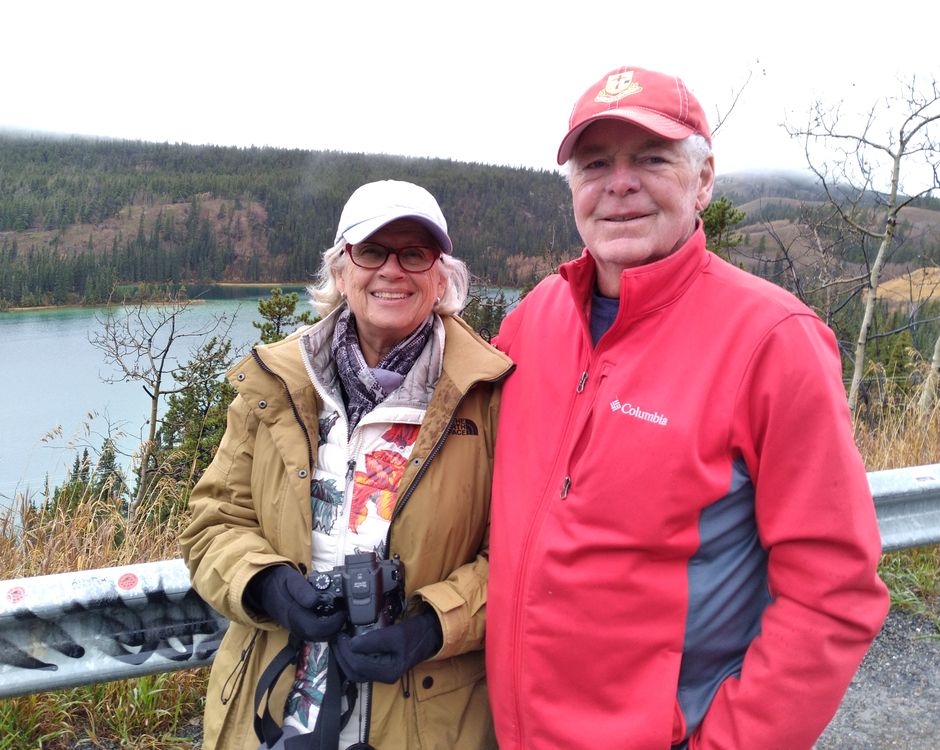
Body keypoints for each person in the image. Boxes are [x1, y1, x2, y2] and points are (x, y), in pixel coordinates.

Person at [486, 66, 890, 749]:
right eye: (595, 164)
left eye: (651, 158)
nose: (620, 184)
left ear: (703, 181)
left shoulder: (771, 341)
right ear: (573, 190)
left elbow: (835, 594)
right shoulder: (530, 323)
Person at [181, 179, 511, 750]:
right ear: (340, 270)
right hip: (274, 700)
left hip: (425, 718)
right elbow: (213, 521)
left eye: (415, 253)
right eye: (371, 252)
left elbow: (517, 556)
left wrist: (432, 627)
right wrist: (266, 585)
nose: (392, 270)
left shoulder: (489, 396)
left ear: (441, 276)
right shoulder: (275, 383)